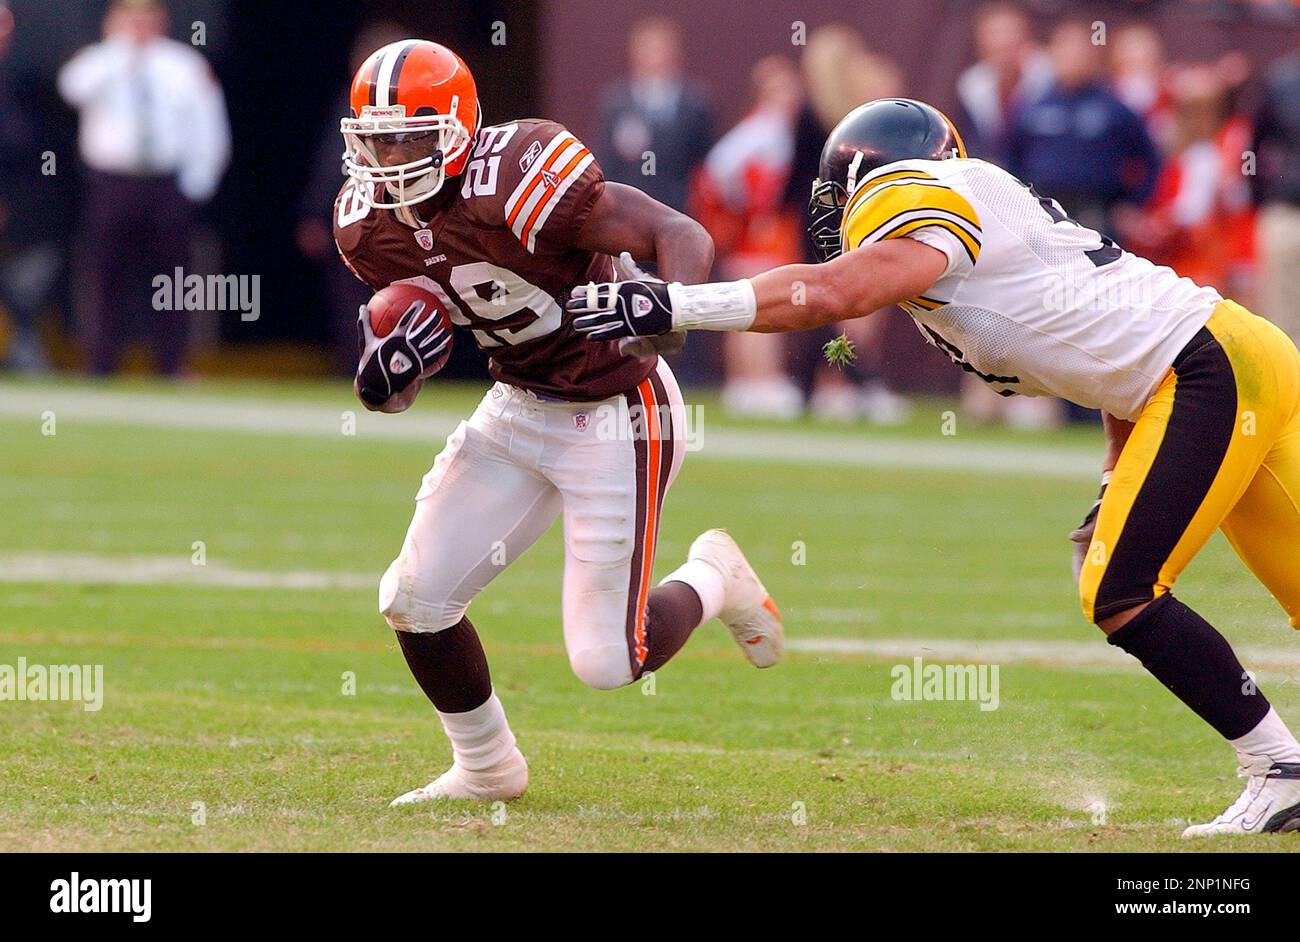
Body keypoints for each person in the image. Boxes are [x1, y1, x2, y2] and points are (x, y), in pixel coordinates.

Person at [570, 97, 1300, 836]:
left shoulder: (914, 191)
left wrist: (679, 304)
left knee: (1120, 592)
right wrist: (1116, 474)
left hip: (1208, 369)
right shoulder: (986, 215)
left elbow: (834, 292)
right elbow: (1109, 349)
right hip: (1235, 356)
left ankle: (1276, 768)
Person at [334, 40, 783, 806]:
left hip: (617, 406)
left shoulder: (518, 175)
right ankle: (487, 768)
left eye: (409, 134)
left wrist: (663, 315)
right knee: (411, 598)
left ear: (456, 128)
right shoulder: (364, 226)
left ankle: (713, 574)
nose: (390, 154)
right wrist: (385, 380)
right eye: (376, 137)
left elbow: (682, 234)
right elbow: (399, 385)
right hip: (517, 405)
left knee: (608, 662)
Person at [58, 0, 229, 375]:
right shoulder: (101, 61)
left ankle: (171, 364)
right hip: (112, 184)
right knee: (105, 275)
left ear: (162, 21)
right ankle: (100, 363)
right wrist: (120, 52)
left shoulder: (183, 64)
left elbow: (208, 124)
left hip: (166, 185)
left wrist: (198, 182)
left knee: (173, 280)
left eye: (146, 18)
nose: (139, 26)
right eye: (130, 19)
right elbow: (71, 87)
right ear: (113, 21)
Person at [1006, 20, 1159, 234]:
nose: (1072, 57)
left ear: (1093, 56)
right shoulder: (1031, 107)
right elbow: (1009, 158)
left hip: (1095, 213)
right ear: (1052, 54)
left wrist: (1133, 204)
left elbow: (1150, 158)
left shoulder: (1114, 108)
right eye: (1065, 48)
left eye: (1079, 50)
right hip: (1041, 214)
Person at [594, 17, 713, 214]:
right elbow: (605, 162)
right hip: (628, 214)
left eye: (660, 48)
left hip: (681, 211)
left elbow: (706, 165)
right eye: (648, 48)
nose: (655, 56)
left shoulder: (697, 104)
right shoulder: (614, 103)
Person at [0, 0, 56, 372]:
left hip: (22, 206)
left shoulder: (25, 76)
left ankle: (24, 346)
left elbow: (31, 144)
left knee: (27, 279)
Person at [954, 3, 1053, 166]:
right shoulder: (972, 85)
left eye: (1008, 32)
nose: (1001, 41)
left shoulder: (1050, 74)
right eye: (993, 34)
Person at [1251, 52, 1300, 346]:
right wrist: (1262, 198)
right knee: (1281, 324)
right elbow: (1255, 145)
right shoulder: (1281, 82)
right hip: (1286, 210)